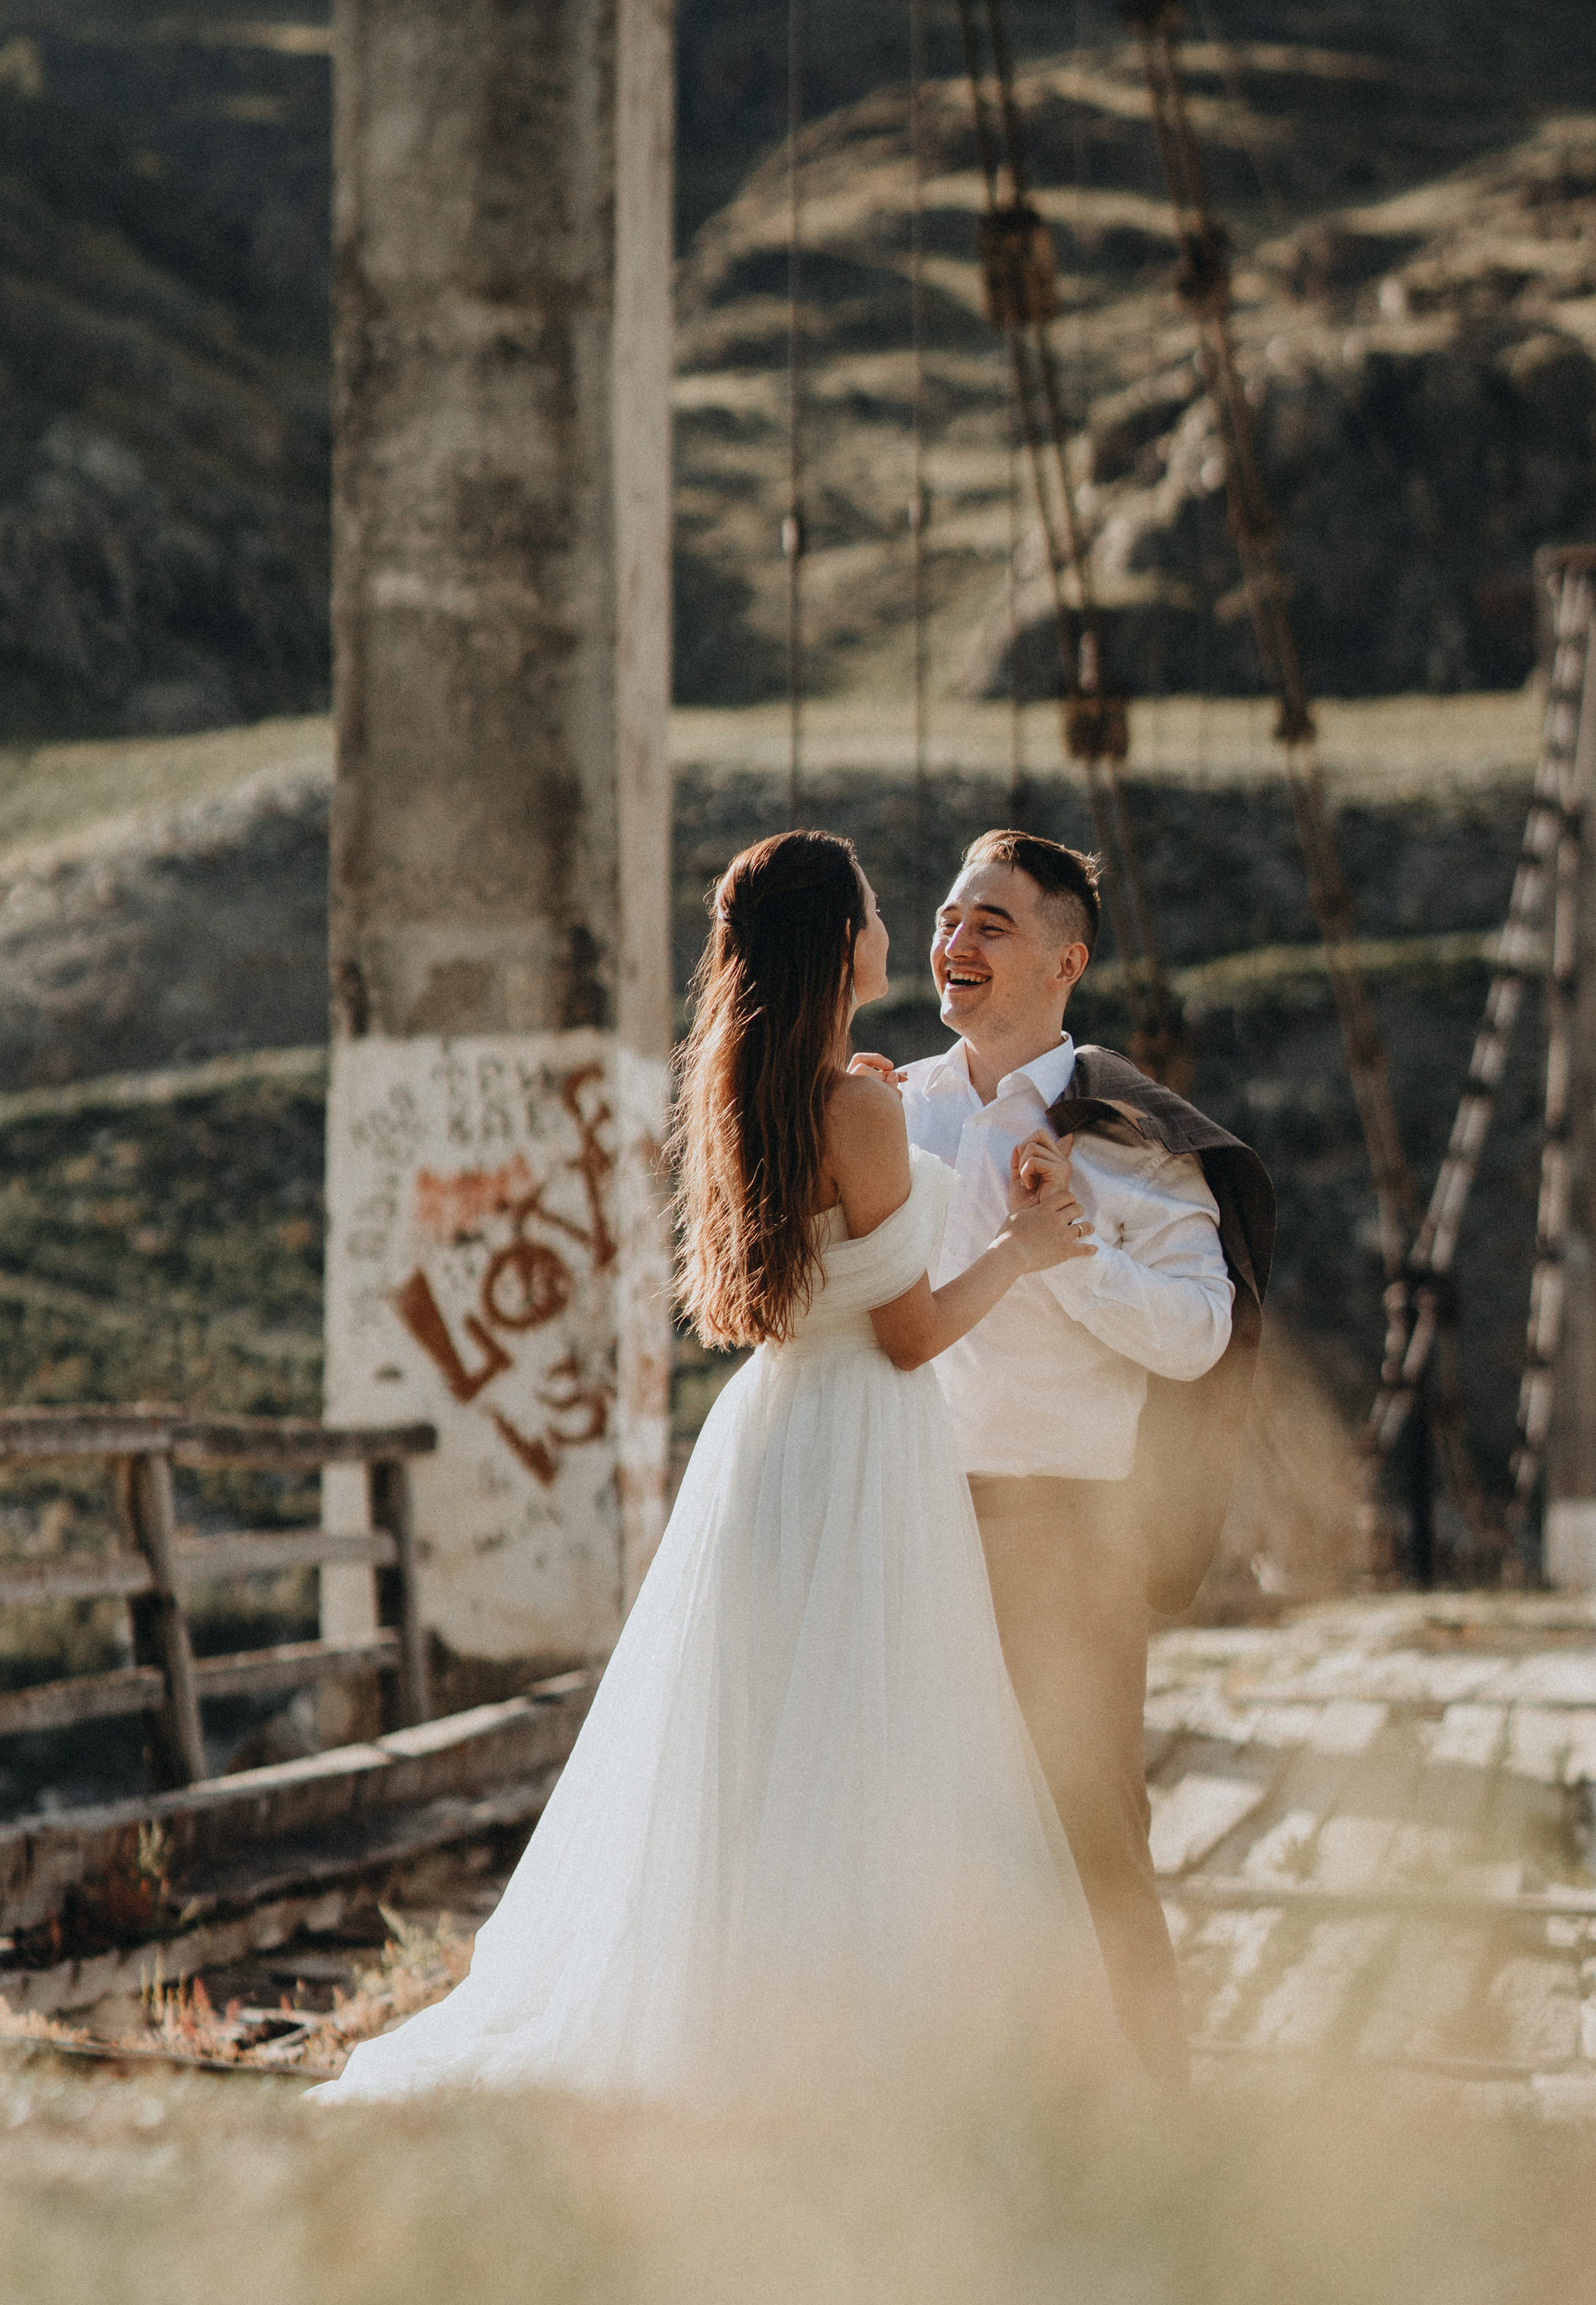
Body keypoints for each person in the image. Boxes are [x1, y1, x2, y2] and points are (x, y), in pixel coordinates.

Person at [321, 828, 1110, 2103]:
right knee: (880, 1744)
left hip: (769, 1437)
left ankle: (747, 2028)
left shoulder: (751, 1090)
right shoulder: (858, 1106)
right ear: (839, 942)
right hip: (861, 1438)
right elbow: (908, 1337)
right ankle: (859, 2045)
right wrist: (1023, 1248)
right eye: (870, 905)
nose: (889, 923)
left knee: (760, 1748)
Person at [877, 828, 1274, 2085]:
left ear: (1067, 960)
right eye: (948, 920)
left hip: (1068, 1530)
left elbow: (1204, 1336)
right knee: (918, 1826)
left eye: (990, 924)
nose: (955, 944)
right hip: (909, 1519)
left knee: (1090, 1826)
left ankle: (1154, 2108)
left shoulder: (1132, 1133)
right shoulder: (895, 1115)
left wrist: (1075, 1255)